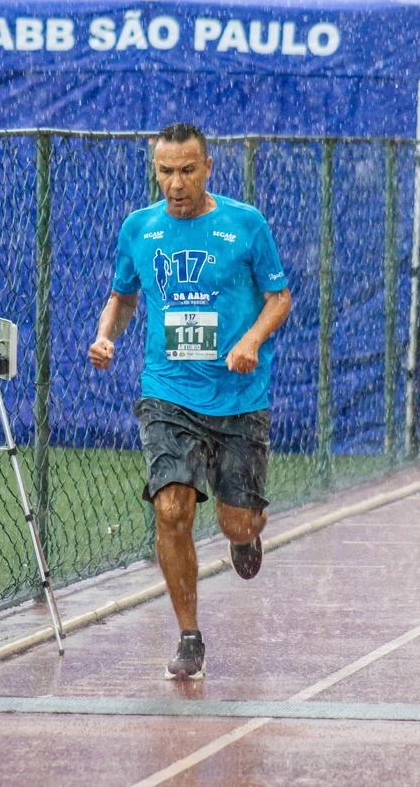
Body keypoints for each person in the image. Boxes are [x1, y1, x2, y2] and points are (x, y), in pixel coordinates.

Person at [89, 123, 291, 680]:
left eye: (186, 171)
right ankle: (189, 635)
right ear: (155, 171)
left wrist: (250, 340)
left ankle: (247, 536)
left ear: (207, 169)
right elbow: (123, 296)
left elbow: (280, 297)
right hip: (168, 393)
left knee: (237, 524)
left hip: (238, 397)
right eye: (165, 172)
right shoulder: (140, 229)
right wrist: (107, 334)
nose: (175, 184)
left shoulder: (245, 225)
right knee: (171, 507)